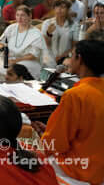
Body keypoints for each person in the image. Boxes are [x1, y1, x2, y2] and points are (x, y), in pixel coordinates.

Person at [33, 40, 104, 185]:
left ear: (80, 59)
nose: (69, 60)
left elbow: (56, 145)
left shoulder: (75, 95)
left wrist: (42, 138)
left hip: (77, 170)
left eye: (72, 55)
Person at [0, 5, 49, 80]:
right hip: (9, 57)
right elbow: (0, 44)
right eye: (17, 15)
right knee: (2, 66)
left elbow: (33, 56)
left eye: (22, 15)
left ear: (29, 16)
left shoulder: (36, 33)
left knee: (16, 69)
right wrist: (5, 51)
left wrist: (15, 60)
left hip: (27, 61)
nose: (19, 18)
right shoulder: (11, 28)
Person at [41, 0, 77, 65]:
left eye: (63, 7)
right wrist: (49, 33)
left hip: (66, 58)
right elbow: (46, 45)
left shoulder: (73, 25)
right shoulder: (47, 23)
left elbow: (74, 47)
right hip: (48, 58)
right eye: (57, 7)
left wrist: (63, 56)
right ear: (54, 9)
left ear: (68, 10)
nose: (59, 9)